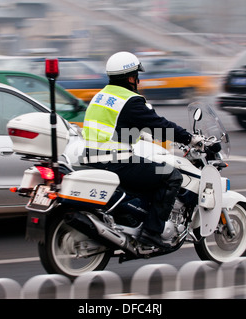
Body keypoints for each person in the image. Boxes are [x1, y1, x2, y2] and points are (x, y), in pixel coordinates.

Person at [81, 51, 202, 248]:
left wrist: (140, 135)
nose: (138, 81)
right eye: (137, 76)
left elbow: (111, 128)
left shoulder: (100, 96)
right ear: (130, 78)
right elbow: (160, 125)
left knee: (148, 174)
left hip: (91, 158)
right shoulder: (130, 100)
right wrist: (190, 139)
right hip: (117, 161)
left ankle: (135, 219)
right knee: (171, 176)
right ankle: (152, 232)